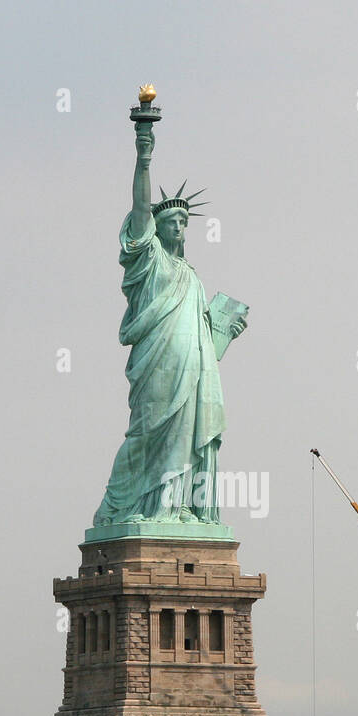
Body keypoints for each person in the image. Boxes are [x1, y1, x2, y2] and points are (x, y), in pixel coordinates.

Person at [92, 121, 246, 528]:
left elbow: (203, 347)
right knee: (147, 436)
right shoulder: (149, 261)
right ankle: (135, 506)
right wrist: (144, 155)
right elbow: (141, 209)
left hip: (194, 373)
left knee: (186, 437)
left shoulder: (192, 278)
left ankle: (178, 507)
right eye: (171, 221)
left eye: (184, 222)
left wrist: (224, 333)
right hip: (156, 369)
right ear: (156, 230)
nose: (179, 226)